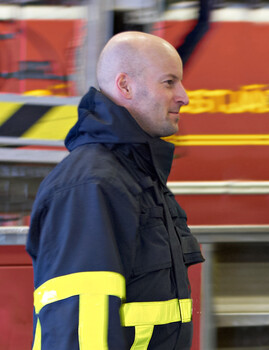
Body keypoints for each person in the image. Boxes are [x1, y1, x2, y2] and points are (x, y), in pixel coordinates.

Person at [26, 31, 204, 350]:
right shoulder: (92, 184)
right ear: (125, 85)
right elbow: (82, 333)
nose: (184, 96)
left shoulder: (135, 175)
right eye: (169, 82)